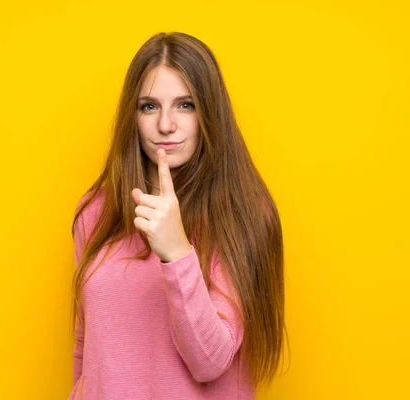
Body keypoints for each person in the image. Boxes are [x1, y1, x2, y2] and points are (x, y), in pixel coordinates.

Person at [69, 32, 287, 399]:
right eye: (149, 106)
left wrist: (177, 252)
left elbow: (210, 361)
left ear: (209, 114)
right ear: (132, 116)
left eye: (186, 105)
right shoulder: (95, 212)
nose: (166, 125)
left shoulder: (245, 215)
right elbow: (85, 348)